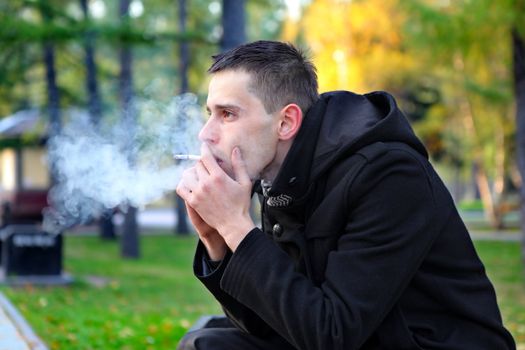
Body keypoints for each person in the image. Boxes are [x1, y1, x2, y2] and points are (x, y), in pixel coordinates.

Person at [175, 40, 516, 350]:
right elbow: (276, 324)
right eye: (210, 114)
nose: (206, 134)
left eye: (228, 114)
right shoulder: (284, 177)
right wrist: (218, 243)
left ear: (285, 123)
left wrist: (236, 227)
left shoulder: (389, 175)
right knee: (206, 342)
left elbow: (332, 336)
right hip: (365, 338)